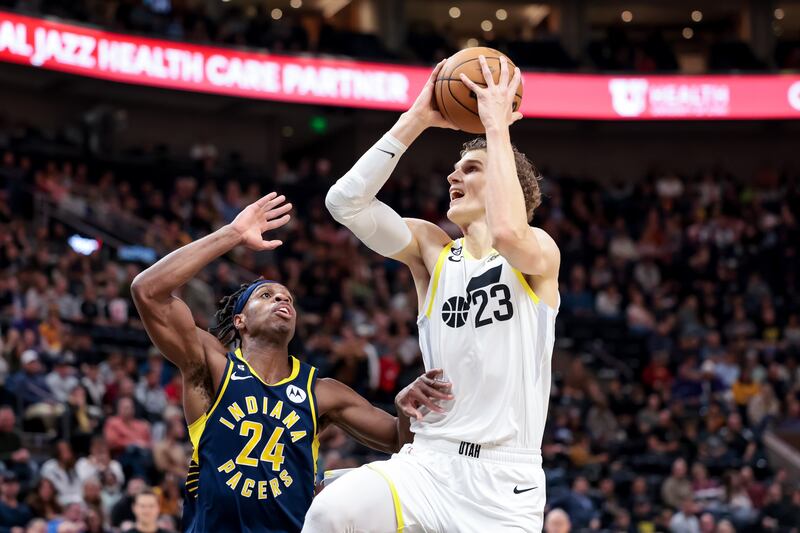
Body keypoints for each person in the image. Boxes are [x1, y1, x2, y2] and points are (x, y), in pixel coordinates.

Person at [305, 55, 559, 532]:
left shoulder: (539, 251)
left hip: (505, 481)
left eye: (471, 168)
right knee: (330, 513)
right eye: (454, 169)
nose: (452, 177)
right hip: (427, 463)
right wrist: (417, 117)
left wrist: (496, 126)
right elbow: (344, 203)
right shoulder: (433, 251)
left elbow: (508, 232)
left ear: (506, 183)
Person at [131, 192, 451, 532]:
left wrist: (404, 410)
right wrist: (233, 234)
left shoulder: (321, 392)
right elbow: (147, 290)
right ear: (240, 320)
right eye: (266, 295)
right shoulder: (214, 366)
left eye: (288, 298)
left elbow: (400, 443)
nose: (282, 299)